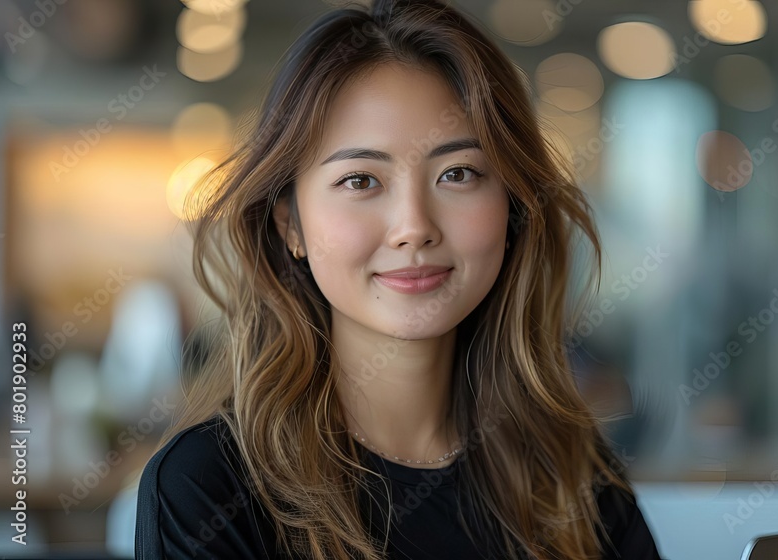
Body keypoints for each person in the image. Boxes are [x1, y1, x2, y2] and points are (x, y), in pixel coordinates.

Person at [135, 0, 664, 558]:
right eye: (361, 179)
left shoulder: (576, 479)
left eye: (457, 174)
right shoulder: (208, 489)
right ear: (290, 222)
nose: (413, 227)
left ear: (511, 208)